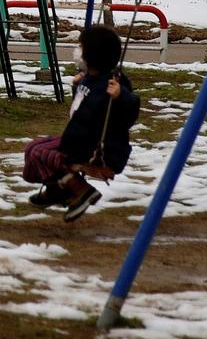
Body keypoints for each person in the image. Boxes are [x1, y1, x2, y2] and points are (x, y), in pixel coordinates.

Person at [23, 25, 140, 222]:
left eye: (80, 46)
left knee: (42, 153)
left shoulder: (112, 83)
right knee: (33, 148)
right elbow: (81, 109)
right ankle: (56, 190)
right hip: (78, 141)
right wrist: (77, 86)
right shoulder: (89, 78)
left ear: (93, 53)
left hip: (100, 151)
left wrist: (121, 97)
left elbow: (129, 111)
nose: (77, 50)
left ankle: (82, 190)